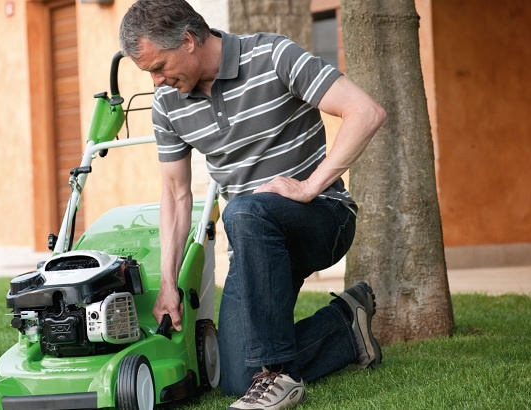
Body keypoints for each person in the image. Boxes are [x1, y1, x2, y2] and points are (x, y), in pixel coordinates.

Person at [119, 1, 386, 408]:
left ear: (188, 41)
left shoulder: (272, 55)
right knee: (238, 376)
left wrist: (311, 186)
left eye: (159, 67)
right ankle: (346, 326)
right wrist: (169, 283)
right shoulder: (167, 104)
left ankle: (280, 380)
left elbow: (365, 112)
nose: (156, 82)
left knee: (243, 209)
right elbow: (175, 194)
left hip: (322, 219)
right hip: (254, 242)